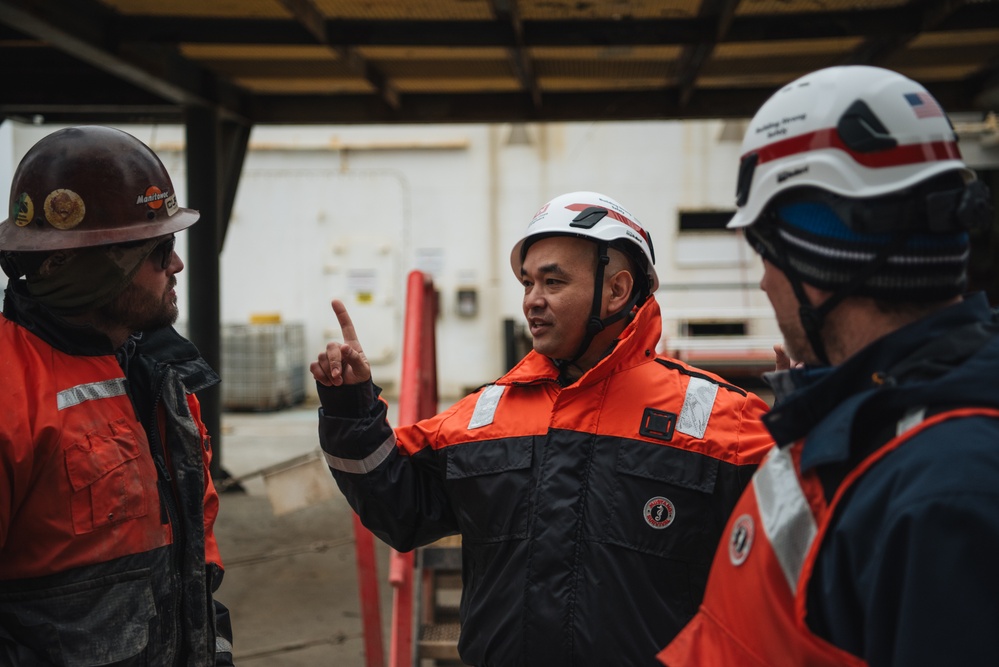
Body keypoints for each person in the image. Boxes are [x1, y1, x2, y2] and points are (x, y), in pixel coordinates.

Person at [311, 191, 773, 665]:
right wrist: (351, 405)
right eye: (528, 283)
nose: (533, 300)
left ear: (616, 290)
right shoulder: (485, 415)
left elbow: (812, 553)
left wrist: (817, 416)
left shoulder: (723, 421)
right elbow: (399, 508)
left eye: (553, 282)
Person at [659, 65, 998, 667]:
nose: (763, 282)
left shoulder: (946, 493)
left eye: (767, 253)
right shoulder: (874, 430)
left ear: (823, 266)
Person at [0, 126, 235, 666]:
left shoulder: (163, 383)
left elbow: (196, 559)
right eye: (161, 250)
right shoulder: (12, 394)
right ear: (95, 268)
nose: (176, 266)